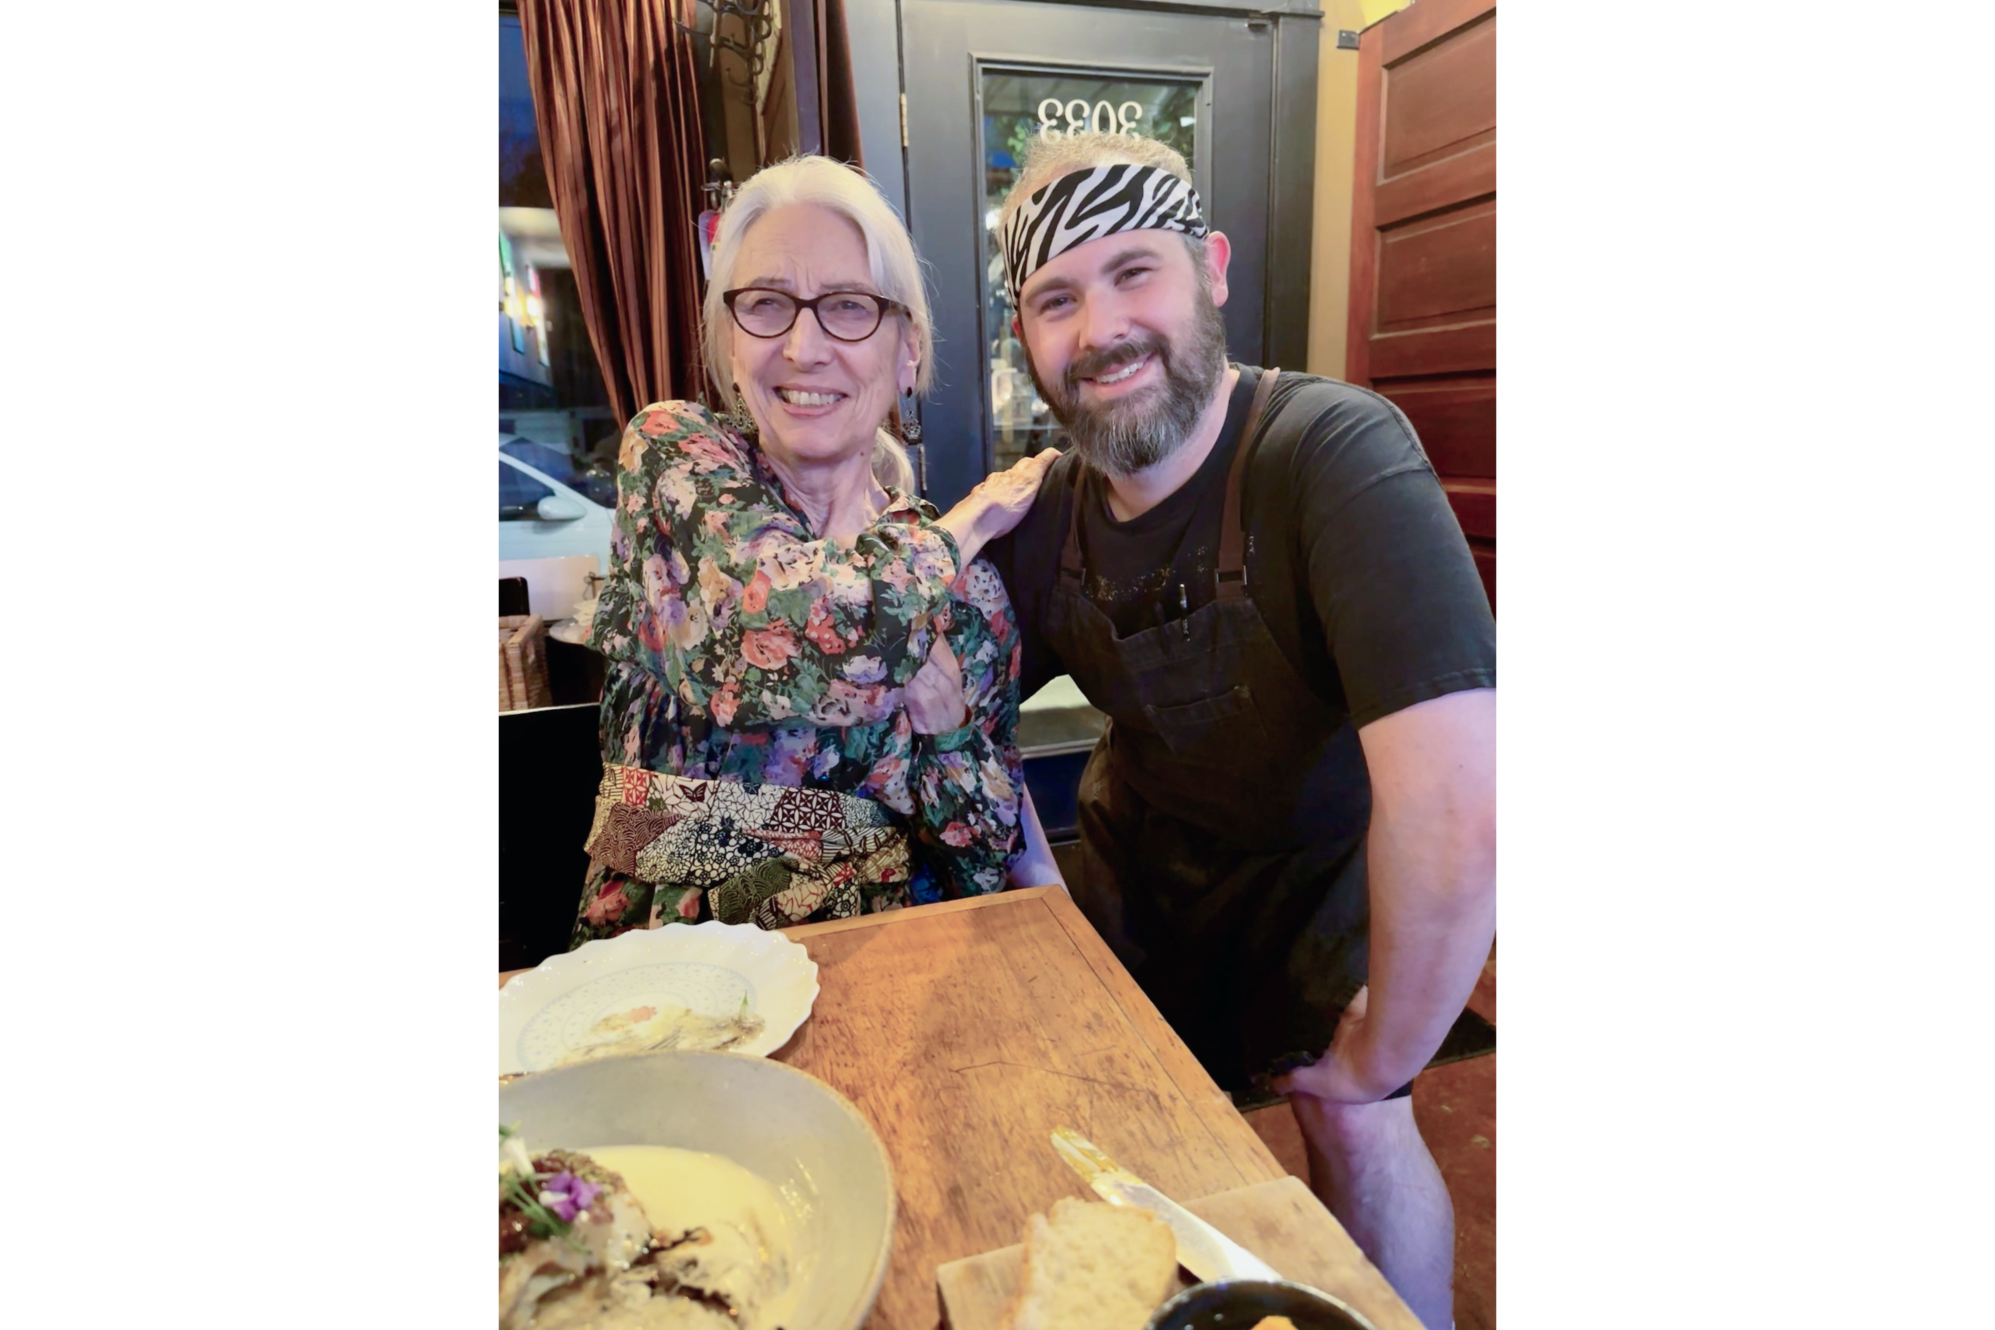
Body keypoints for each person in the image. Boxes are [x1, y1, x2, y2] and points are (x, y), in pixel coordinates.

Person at [982, 132, 1497, 1329]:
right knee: (1102, 1145)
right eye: (1057, 297)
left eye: (1135, 272)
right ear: (1027, 336)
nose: (1100, 328)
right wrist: (1038, 888)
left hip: (1316, 887)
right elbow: (952, 719)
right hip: (1136, 873)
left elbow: (1458, 805)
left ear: (1212, 268)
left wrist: (1379, 1061)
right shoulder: (1046, 510)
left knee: (1358, 1128)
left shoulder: (1335, 457)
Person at [570, 155, 1063, 946]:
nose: (803, 346)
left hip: (882, 967)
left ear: (907, 353)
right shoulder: (675, 457)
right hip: (664, 961)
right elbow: (794, 627)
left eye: (847, 307)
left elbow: (980, 860)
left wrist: (943, 730)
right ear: (731, 343)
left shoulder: (967, 599)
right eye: (766, 304)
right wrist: (966, 524)